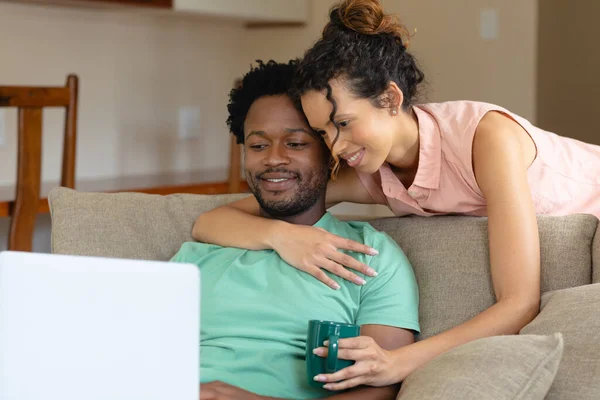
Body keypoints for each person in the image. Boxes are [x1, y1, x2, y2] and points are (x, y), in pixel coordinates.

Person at [191, 0, 600, 392]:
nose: (336, 147)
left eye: (344, 123)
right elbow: (212, 222)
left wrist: (397, 364)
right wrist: (284, 238)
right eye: (323, 132)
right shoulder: (373, 173)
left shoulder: (487, 138)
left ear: (391, 99)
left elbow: (519, 303)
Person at [171, 59, 420, 400]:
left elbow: (380, 387)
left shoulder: (371, 258)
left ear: (331, 153)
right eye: (258, 146)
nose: (273, 158)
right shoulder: (196, 256)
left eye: (296, 143)